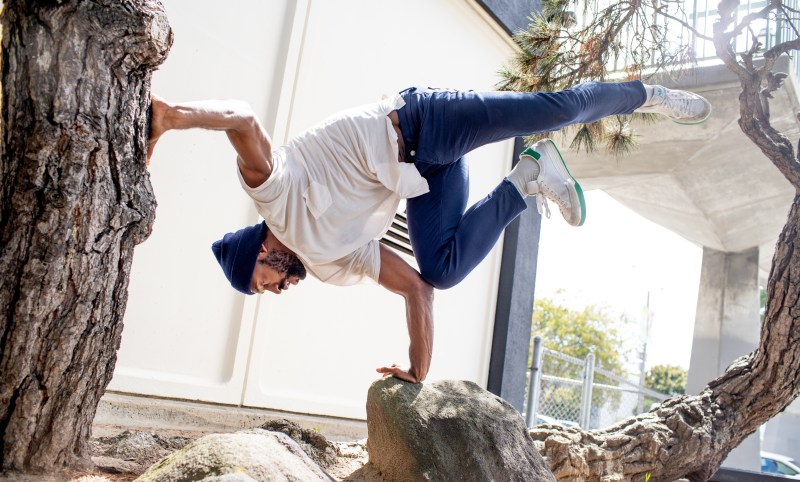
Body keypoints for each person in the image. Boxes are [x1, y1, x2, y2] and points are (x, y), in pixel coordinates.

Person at [147, 81, 711, 384]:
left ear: (261, 249)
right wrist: (418, 368)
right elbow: (418, 289)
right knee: (441, 268)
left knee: (550, 110)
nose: (275, 291)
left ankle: (648, 93)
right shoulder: (329, 264)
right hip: (429, 175)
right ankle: (529, 177)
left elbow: (243, 120)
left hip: (421, 120)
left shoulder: (277, 198)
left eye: (263, 282)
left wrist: (174, 118)